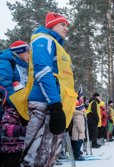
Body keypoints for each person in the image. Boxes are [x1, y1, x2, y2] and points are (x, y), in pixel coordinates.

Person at [12, 12, 78, 167]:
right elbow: (43, 71)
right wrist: (55, 105)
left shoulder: (54, 43)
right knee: (36, 156)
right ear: (51, 25)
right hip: (45, 103)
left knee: (48, 154)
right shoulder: (43, 39)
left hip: (52, 102)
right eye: (63, 24)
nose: (66, 29)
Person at [0, 40, 29, 167]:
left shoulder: (15, 63)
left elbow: (17, 83)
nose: (30, 55)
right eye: (28, 52)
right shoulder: (5, 61)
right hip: (7, 106)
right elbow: (4, 85)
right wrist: (18, 105)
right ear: (19, 52)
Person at [71, 90, 85, 161]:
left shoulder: (79, 114)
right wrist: (82, 130)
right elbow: (78, 123)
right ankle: (77, 155)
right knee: (77, 145)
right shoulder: (78, 115)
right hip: (78, 134)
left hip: (79, 134)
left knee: (77, 145)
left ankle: (77, 153)